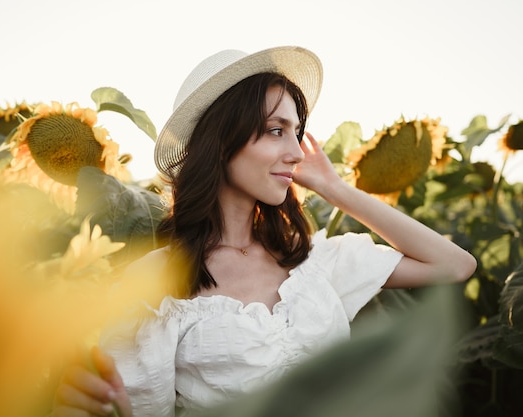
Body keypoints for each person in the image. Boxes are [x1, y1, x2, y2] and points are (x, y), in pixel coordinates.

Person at [53, 46, 477, 417]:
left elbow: (454, 264)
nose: (295, 153)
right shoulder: (158, 281)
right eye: (276, 131)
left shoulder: (313, 261)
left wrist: (334, 187)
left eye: (297, 132)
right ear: (221, 141)